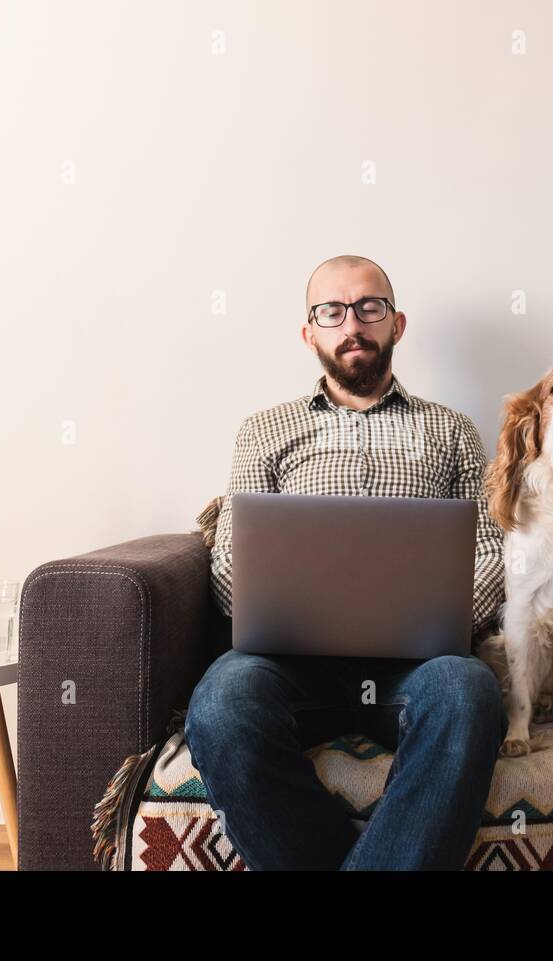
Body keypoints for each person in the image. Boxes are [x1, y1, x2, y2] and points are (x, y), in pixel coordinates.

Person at [184, 254, 507, 870]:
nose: (351, 324)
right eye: (331, 311)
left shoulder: (452, 432)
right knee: (222, 705)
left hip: (419, 665)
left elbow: (491, 549)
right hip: (286, 661)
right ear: (310, 333)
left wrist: (438, 611)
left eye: (368, 308)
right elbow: (227, 558)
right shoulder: (264, 430)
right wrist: (281, 605)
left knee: (469, 692)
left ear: (397, 324)